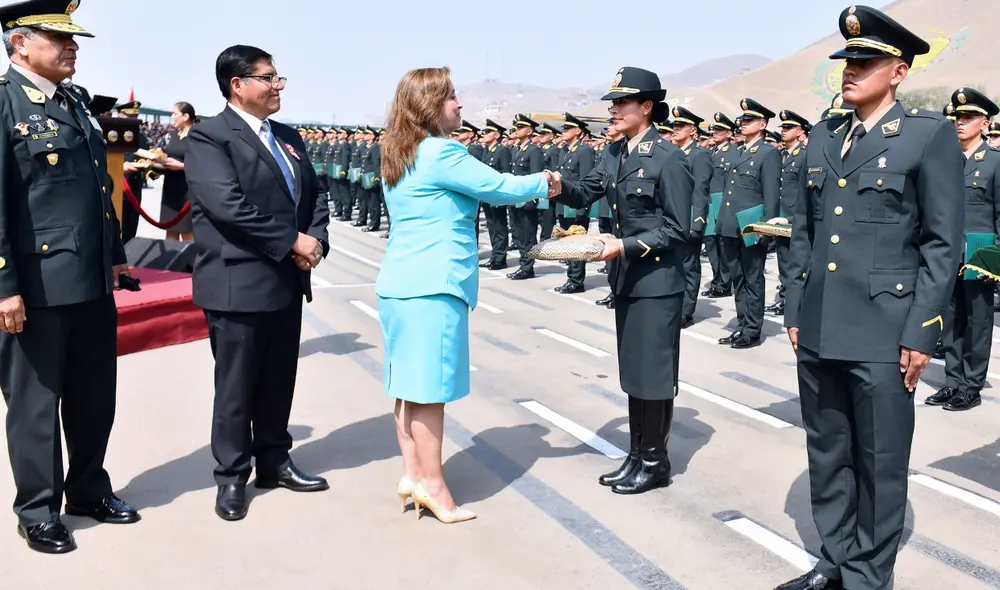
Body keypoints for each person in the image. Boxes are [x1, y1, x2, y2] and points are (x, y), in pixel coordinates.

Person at [780, 6, 964, 590]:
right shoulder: (824, 135)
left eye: (866, 61)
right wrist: (794, 309)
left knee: (879, 461)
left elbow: (942, 243)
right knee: (827, 453)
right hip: (819, 323)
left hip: (885, 329)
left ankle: (866, 575)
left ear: (899, 72)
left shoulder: (926, 135)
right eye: (847, 61)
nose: (851, 70)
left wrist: (922, 330)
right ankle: (834, 561)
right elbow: (804, 231)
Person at [375, 67, 552, 523]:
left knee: (407, 390)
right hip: (433, 285)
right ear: (430, 105)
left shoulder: (398, 150)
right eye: (452, 96)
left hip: (399, 283)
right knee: (429, 393)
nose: (460, 104)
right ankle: (435, 488)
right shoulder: (441, 152)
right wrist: (546, 181)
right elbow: (499, 187)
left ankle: (413, 474)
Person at [0, 0, 140, 555]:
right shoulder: (5, 103)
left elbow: (97, 191)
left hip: (90, 278)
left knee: (93, 397)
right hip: (35, 285)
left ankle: (87, 490)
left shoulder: (75, 100)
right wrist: (4, 287)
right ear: (19, 43)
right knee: (35, 406)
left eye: (72, 38)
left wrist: (114, 255)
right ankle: (38, 510)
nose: (72, 46)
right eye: (58, 38)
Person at [185, 44, 332, 522]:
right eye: (268, 78)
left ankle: (274, 460)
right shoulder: (210, 137)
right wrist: (292, 241)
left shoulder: (288, 136)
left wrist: (316, 240)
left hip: (286, 280)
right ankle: (232, 476)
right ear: (238, 85)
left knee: (278, 380)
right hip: (238, 283)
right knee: (236, 388)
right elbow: (228, 207)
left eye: (277, 77)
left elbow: (315, 196)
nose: (277, 86)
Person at [549, 66, 693, 495]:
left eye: (621, 102)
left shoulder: (668, 158)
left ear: (646, 107)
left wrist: (622, 247)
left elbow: (678, 230)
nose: (613, 109)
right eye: (612, 102)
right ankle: (636, 454)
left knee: (654, 376)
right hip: (627, 279)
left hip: (658, 282)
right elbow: (585, 191)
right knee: (633, 373)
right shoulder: (615, 153)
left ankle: (655, 460)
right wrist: (556, 185)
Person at [924, 88, 1000, 412]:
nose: (960, 122)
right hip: (948, 253)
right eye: (957, 117)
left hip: (980, 255)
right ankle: (952, 381)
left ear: (984, 123)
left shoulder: (995, 162)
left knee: (978, 322)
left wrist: (995, 261)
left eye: (968, 117)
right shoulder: (947, 161)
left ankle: (971, 387)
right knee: (951, 320)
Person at [159, 101, 196, 241]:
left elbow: (205, 163)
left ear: (186, 116)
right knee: (170, 234)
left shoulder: (197, 136)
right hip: (170, 191)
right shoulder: (174, 135)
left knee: (187, 235)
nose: (172, 117)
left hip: (188, 192)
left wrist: (181, 166)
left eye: (175, 113)